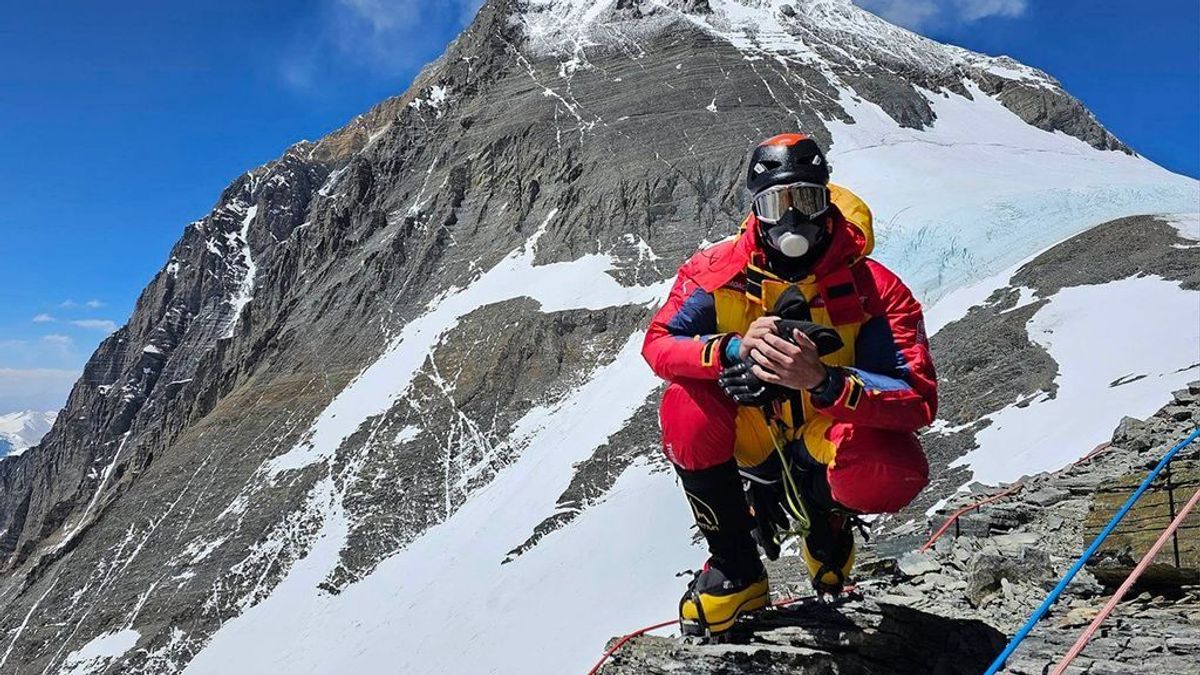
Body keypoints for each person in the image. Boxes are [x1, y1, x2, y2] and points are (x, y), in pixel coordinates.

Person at [641, 133, 937, 638]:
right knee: (684, 406)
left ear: (828, 201)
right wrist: (731, 352)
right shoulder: (715, 273)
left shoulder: (875, 288)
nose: (793, 218)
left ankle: (827, 519)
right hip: (753, 431)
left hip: (828, 432)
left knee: (895, 469)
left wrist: (825, 382)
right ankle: (736, 568)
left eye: (807, 198)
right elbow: (660, 344)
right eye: (777, 202)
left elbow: (916, 398)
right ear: (757, 211)